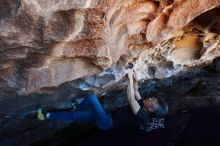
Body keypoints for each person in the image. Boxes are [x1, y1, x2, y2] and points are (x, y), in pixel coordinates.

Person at [37, 69, 168, 130]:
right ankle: (47, 115)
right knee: (75, 115)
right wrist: (135, 79)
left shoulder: (142, 116)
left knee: (92, 98)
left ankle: (77, 109)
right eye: (153, 98)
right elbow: (135, 91)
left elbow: (131, 98)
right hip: (106, 115)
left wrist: (128, 78)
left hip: (106, 122)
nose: (151, 98)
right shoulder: (143, 104)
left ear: (150, 109)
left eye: (153, 101)